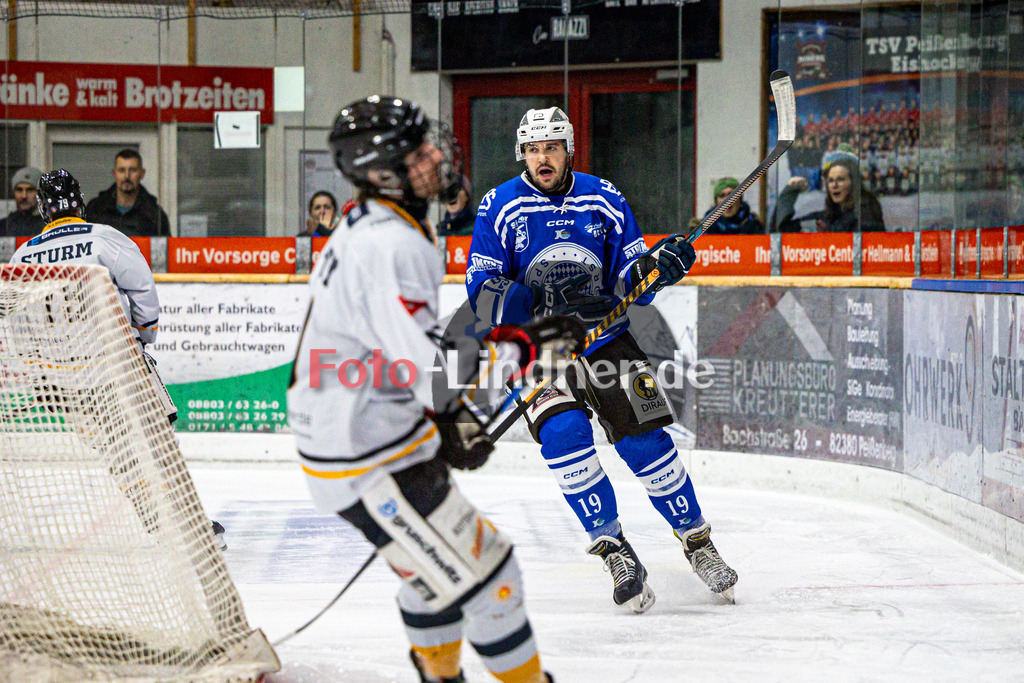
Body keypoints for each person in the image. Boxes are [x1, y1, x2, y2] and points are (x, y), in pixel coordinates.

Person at [287, 96, 582, 683]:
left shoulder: (384, 220)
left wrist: (442, 418)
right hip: (361, 453)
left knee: (434, 577)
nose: (433, 154)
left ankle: (439, 676)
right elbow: (429, 371)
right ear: (379, 171)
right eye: (415, 150)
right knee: (490, 575)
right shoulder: (387, 244)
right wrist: (520, 352)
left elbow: (405, 358)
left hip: (372, 428)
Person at [466, 106, 738, 614]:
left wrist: (660, 267)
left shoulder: (605, 196)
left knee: (644, 443)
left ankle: (698, 542)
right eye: (531, 148)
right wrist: (542, 302)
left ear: (568, 148)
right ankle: (616, 550)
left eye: (550, 147)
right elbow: (481, 293)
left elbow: (633, 277)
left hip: (606, 340)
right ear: (521, 153)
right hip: (535, 349)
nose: (541, 158)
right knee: (565, 435)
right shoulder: (499, 205)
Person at [11, 169, 226, 550]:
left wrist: (39, 370)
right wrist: (143, 341)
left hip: (65, 381)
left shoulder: (24, 254)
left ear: (45, 209)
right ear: (78, 202)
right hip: (116, 367)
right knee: (156, 443)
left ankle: (157, 522)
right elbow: (144, 296)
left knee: (120, 455)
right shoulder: (105, 238)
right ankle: (189, 526)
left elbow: (18, 321)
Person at [772, 145, 885, 233]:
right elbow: (781, 231)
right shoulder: (826, 217)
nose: (834, 185)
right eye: (830, 180)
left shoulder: (867, 211)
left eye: (840, 179)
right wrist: (790, 190)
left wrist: (828, 237)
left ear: (853, 183)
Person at [85, 149, 170, 237]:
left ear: (142, 173)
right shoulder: (95, 209)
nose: (127, 176)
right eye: (122, 170)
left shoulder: (155, 215)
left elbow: (164, 249)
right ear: (114, 173)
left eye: (132, 170)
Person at [0, 166, 46, 237]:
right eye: (19, 190)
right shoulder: (3, 226)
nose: (24, 196)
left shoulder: (48, 226)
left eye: (30, 190)